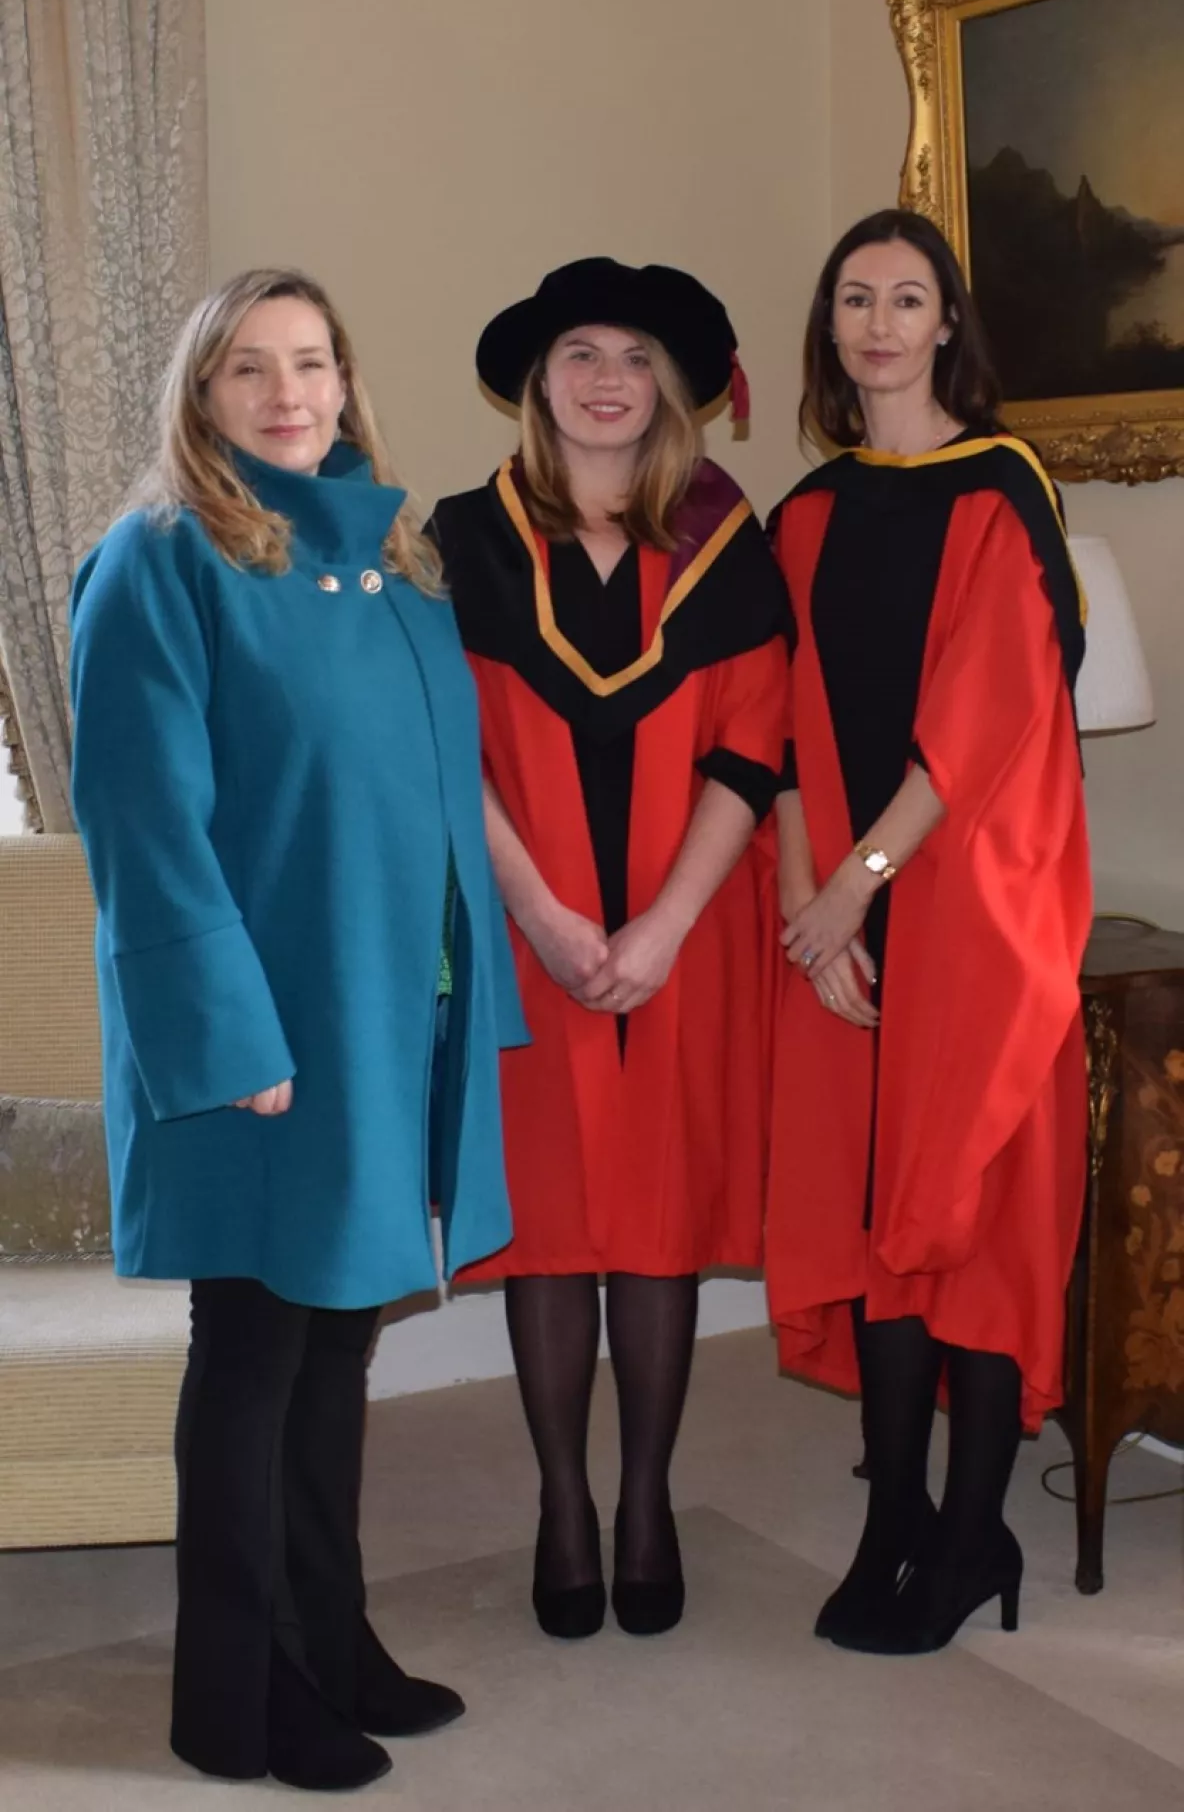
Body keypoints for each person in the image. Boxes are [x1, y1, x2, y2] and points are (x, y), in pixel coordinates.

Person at [70, 268, 527, 1790]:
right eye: (250, 367)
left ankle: (333, 1642)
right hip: (258, 1045)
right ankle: (235, 1695)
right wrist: (231, 1039)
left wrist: (471, 1003)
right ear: (200, 395)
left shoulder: (390, 566)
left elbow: (437, 814)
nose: (289, 393)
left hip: (385, 1019)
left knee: (340, 1351)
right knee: (258, 1352)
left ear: (347, 382)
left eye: (314, 363)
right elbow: (148, 831)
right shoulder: (156, 565)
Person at [431, 258, 790, 1640]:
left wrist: (663, 924)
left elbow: (755, 741)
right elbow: (444, 748)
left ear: (668, 389)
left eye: (631, 356)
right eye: (577, 351)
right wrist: (547, 918)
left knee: (651, 1220)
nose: (602, 378)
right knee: (555, 1226)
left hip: (682, 935)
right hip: (530, 931)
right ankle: (560, 1503)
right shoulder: (461, 539)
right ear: (538, 381)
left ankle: (643, 1499)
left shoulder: (721, 539)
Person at [763, 209, 1091, 1656]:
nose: (882, 323)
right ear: (830, 331)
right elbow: (764, 732)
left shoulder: (1006, 492)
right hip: (845, 913)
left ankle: (971, 1535)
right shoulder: (810, 516)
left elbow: (983, 724)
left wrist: (861, 883)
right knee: (873, 1211)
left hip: (975, 904)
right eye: (855, 300)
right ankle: (890, 1515)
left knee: (964, 1214)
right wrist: (804, 909)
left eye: (909, 297)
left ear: (948, 323)